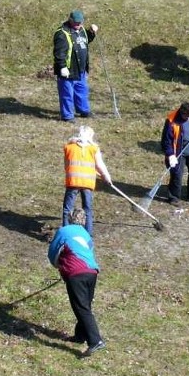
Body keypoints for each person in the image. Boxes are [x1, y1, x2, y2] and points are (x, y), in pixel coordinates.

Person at [48, 208, 105, 358]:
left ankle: (95, 340)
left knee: (80, 307)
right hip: (92, 272)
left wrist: (60, 267)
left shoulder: (64, 231)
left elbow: (52, 253)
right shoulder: (86, 235)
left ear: (70, 218)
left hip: (76, 273)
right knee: (85, 304)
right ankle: (80, 336)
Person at [62, 125, 112, 236]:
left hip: (73, 181)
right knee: (87, 209)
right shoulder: (93, 148)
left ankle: (65, 233)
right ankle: (88, 235)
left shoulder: (69, 147)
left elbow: (67, 166)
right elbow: (100, 165)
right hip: (87, 183)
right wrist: (106, 176)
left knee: (67, 209)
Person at [53, 10, 98, 122]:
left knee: (82, 91)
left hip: (80, 70)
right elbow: (59, 53)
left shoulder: (81, 30)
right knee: (67, 94)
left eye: (81, 22)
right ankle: (67, 116)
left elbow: (84, 41)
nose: (79, 25)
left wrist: (91, 33)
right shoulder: (62, 34)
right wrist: (62, 67)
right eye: (76, 23)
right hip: (67, 71)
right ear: (70, 20)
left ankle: (83, 111)